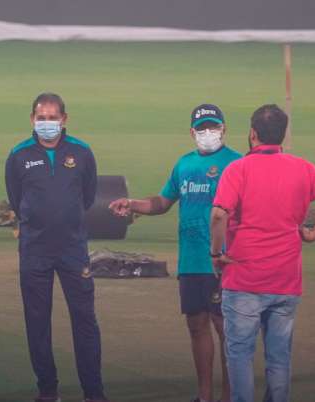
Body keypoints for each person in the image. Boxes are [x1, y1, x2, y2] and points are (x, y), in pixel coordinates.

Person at [210, 104, 315, 402]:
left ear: (252, 134)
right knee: (279, 358)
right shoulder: (302, 168)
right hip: (286, 280)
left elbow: (219, 215)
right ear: (282, 135)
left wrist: (215, 253)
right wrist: (313, 234)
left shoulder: (238, 169)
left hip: (244, 278)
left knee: (239, 355)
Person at [109, 104, 240, 402]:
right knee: (196, 325)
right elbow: (163, 202)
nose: (208, 133)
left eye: (214, 127)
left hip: (224, 261)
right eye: (202, 128)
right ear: (192, 132)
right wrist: (133, 204)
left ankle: (230, 397)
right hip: (192, 260)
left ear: (224, 129)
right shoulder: (184, 165)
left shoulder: (236, 163)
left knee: (226, 330)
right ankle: (204, 395)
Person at [5, 93, 109, 402]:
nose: (46, 123)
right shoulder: (19, 155)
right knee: (37, 322)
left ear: (64, 119)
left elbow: (87, 196)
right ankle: (47, 390)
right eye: (41, 117)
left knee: (85, 319)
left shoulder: (82, 152)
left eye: (52, 118)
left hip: (73, 249)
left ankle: (94, 392)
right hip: (34, 250)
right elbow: (15, 197)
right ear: (32, 120)